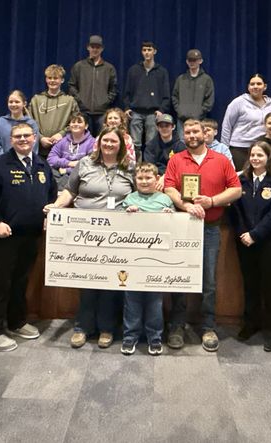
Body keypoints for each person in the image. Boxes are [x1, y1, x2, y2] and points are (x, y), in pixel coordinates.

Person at [45, 127, 136, 349]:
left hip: (118, 235)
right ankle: (82, 327)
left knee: (111, 283)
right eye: (105, 140)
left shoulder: (130, 167)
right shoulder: (85, 164)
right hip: (86, 234)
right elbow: (70, 192)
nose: (109, 145)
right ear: (98, 143)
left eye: (114, 141)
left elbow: (140, 193)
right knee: (87, 281)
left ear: (121, 145)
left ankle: (106, 328)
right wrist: (55, 208)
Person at [0, 123, 57, 352]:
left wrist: (46, 217)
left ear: (34, 138)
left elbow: (50, 194)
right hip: (4, 234)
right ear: (11, 140)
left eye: (26, 136)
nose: (23, 139)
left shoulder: (42, 165)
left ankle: (16, 322)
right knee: (0, 283)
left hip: (31, 235)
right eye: (17, 136)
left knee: (20, 281)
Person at [164, 119, 242, 352]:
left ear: (205, 133)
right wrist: (185, 206)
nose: (191, 135)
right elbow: (169, 188)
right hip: (182, 227)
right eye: (187, 132)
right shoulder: (176, 160)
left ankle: (208, 326)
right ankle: (177, 325)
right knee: (179, 278)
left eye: (195, 131)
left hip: (210, 227)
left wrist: (212, 201)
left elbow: (236, 189)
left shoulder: (221, 160)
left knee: (208, 280)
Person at [228, 141, 271, 351]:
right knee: (250, 284)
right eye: (252, 155)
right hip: (244, 241)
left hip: (270, 242)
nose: (255, 159)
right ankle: (251, 323)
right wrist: (244, 233)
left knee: (269, 286)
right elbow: (234, 210)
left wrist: (256, 234)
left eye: (260, 155)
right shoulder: (240, 181)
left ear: (268, 158)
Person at [120, 162, 175, 356]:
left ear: (157, 179)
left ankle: (155, 337)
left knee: (155, 299)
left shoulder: (165, 199)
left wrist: (171, 216)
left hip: (157, 259)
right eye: (140, 178)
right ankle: (130, 336)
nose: (144, 181)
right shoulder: (129, 198)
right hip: (133, 258)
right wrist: (127, 214)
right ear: (135, 180)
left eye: (148, 178)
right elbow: (119, 227)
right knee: (132, 298)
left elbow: (176, 227)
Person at [221, 74, 271, 169]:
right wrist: (224, 150)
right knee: (242, 180)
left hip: (262, 148)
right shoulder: (238, 102)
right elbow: (227, 126)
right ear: (248, 87)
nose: (255, 86)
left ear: (265, 86)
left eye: (259, 84)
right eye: (252, 84)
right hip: (240, 149)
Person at [124, 41, 170, 155]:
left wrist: (161, 110)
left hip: (153, 113)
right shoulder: (134, 70)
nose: (147, 52)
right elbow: (127, 92)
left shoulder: (162, 71)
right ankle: (135, 168)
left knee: (151, 143)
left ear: (154, 51)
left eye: (149, 50)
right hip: (135, 112)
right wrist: (126, 107)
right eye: (144, 50)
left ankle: (150, 168)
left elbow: (166, 94)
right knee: (135, 144)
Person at [69, 35, 117, 135]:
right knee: (84, 141)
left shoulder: (109, 68)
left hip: (102, 113)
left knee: (101, 140)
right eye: (92, 47)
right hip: (83, 112)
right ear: (88, 47)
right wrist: (80, 100)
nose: (95, 49)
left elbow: (114, 89)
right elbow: (72, 86)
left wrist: (105, 102)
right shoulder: (79, 66)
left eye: (97, 47)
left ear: (102, 49)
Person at [29, 64, 80, 157]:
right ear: (46, 79)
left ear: (62, 80)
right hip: (38, 149)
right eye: (49, 78)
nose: (52, 80)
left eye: (56, 78)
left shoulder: (70, 101)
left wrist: (61, 134)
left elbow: (77, 123)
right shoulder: (36, 100)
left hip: (62, 150)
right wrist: (40, 138)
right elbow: (28, 122)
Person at [172, 49, 215, 140]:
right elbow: (174, 96)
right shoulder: (181, 79)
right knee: (182, 145)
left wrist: (200, 113)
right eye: (190, 60)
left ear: (200, 61)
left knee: (198, 143)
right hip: (182, 120)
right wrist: (180, 111)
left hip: (199, 120)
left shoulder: (206, 79)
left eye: (195, 60)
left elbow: (209, 100)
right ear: (187, 62)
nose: (192, 63)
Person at [47, 113, 96, 190]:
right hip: (60, 175)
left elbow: (90, 164)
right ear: (69, 125)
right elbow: (50, 159)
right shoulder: (62, 141)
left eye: (79, 122)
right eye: (73, 122)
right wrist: (69, 163)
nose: (76, 124)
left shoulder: (92, 143)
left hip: (80, 177)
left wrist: (67, 170)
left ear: (86, 126)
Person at [0, 90, 41, 158]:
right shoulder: (0, 122)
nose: (13, 104)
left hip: (25, 164)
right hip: (4, 164)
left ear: (24, 104)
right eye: (11, 102)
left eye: (17, 102)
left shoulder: (32, 123)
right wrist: (4, 162)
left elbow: (34, 147)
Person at [143, 113, 186, 180]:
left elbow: (181, 167)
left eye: (167, 126)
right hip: (156, 178)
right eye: (161, 126)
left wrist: (165, 177)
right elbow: (149, 166)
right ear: (157, 128)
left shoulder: (181, 146)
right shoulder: (150, 146)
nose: (164, 128)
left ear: (173, 127)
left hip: (174, 177)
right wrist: (160, 177)